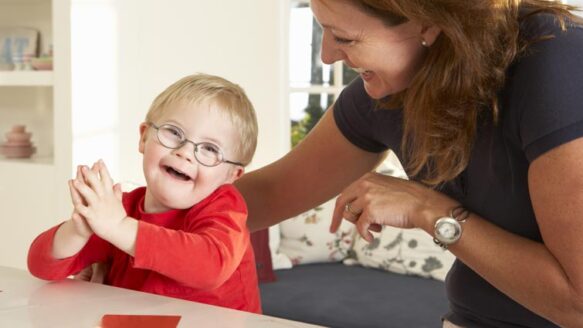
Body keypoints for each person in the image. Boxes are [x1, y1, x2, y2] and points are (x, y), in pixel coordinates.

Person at [235, 0, 583, 327]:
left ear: (428, 22)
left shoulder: (556, 61)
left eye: (344, 37)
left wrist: (429, 210)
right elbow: (269, 194)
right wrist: (182, 189)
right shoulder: (389, 90)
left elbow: (577, 303)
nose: (326, 56)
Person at [27, 73, 261, 313]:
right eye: (175, 133)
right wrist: (78, 229)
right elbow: (41, 266)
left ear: (232, 175)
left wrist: (118, 227)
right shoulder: (121, 209)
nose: (185, 152)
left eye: (210, 149)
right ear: (144, 137)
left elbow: (211, 267)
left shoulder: (225, 207)